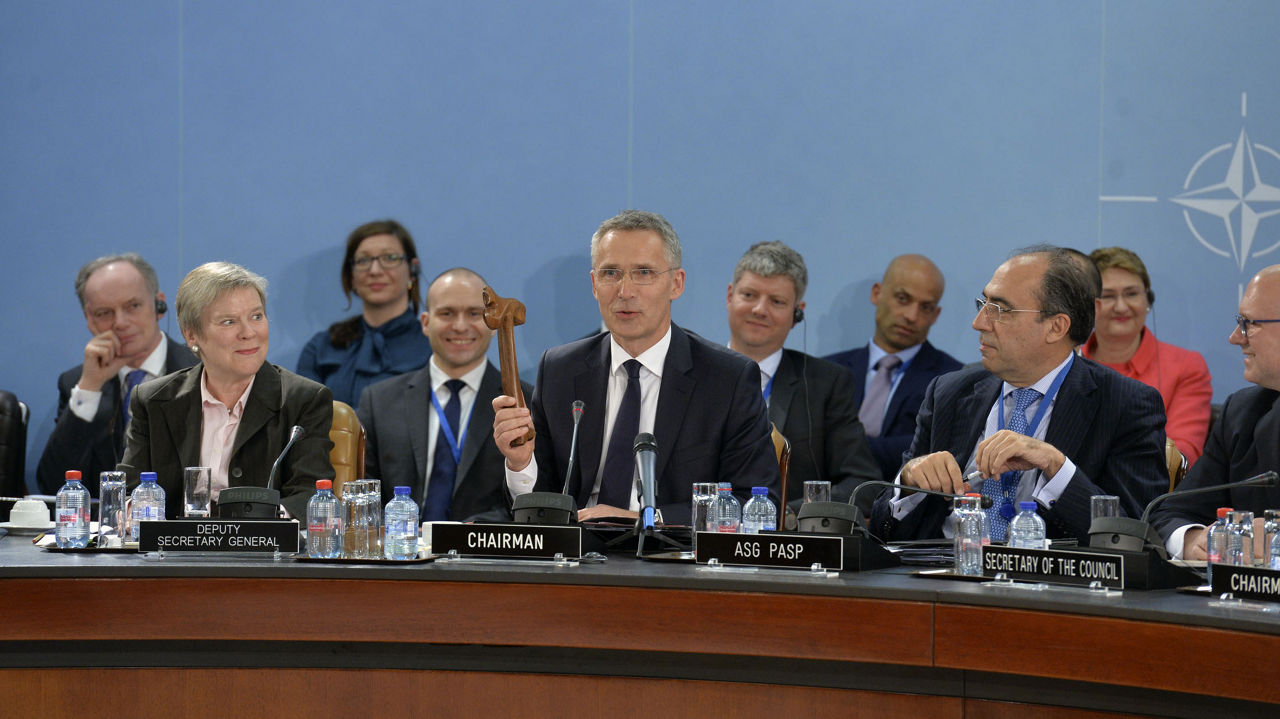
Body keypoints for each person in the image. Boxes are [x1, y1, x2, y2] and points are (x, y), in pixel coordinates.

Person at [492, 210, 779, 524]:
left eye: (643, 272)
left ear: (676, 283)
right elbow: (541, 505)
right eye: (610, 273)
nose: (625, 291)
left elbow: (753, 500)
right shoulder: (560, 370)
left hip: (673, 561)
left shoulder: (727, 379)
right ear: (594, 284)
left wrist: (642, 518)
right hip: (576, 559)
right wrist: (521, 465)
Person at [869, 246, 1168, 543]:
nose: (979, 323)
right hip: (943, 573)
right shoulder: (950, 392)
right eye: (983, 304)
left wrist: (1056, 466)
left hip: (1049, 584)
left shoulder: (1124, 404)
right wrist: (907, 484)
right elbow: (881, 533)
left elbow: (1135, 536)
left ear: (1055, 327)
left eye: (999, 310)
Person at [118, 262, 334, 520]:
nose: (249, 332)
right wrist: (131, 511)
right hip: (176, 553)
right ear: (192, 335)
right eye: (229, 321)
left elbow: (310, 494)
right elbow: (130, 491)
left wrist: (265, 521)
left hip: (263, 553)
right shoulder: (154, 401)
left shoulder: (303, 400)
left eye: (256, 316)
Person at [358, 268, 531, 523]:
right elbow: (363, 496)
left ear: (493, 324)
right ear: (426, 323)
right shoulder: (379, 401)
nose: (460, 326)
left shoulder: (524, 403)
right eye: (447, 313)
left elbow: (530, 501)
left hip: (482, 555)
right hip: (399, 554)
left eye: (474, 314)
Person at [724, 241, 880, 515]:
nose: (760, 309)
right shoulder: (692, 374)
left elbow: (862, 485)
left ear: (797, 313)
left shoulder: (826, 384)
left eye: (777, 301)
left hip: (791, 545)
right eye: (749, 295)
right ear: (730, 296)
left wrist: (789, 515)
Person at [37, 253, 198, 496]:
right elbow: (52, 484)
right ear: (89, 319)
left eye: (133, 306)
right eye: (104, 313)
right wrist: (90, 387)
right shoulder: (77, 383)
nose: (120, 323)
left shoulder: (203, 371)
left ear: (159, 306)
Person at [1152, 265, 1280, 560]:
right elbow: (1170, 512)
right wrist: (1194, 538)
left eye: (1249, 323)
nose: (1236, 337)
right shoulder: (1243, 413)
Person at [825, 254, 962, 482]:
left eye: (926, 307)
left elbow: (931, 453)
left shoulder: (952, 381)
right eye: (902, 298)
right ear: (876, 293)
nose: (911, 316)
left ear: (936, 315)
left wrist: (833, 447)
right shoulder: (826, 371)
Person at [1081, 247, 1212, 465]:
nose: (1121, 306)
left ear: (1148, 299)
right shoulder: (1069, 363)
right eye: (1107, 296)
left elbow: (1182, 454)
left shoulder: (1186, 367)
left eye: (1131, 294)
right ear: (1088, 304)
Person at [297, 219, 432, 407]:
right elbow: (305, 418)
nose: (375, 270)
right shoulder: (321, 348)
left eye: (390, 258)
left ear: (412, 270)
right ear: (351, 277)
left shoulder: (434, 347)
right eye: (363, 260)